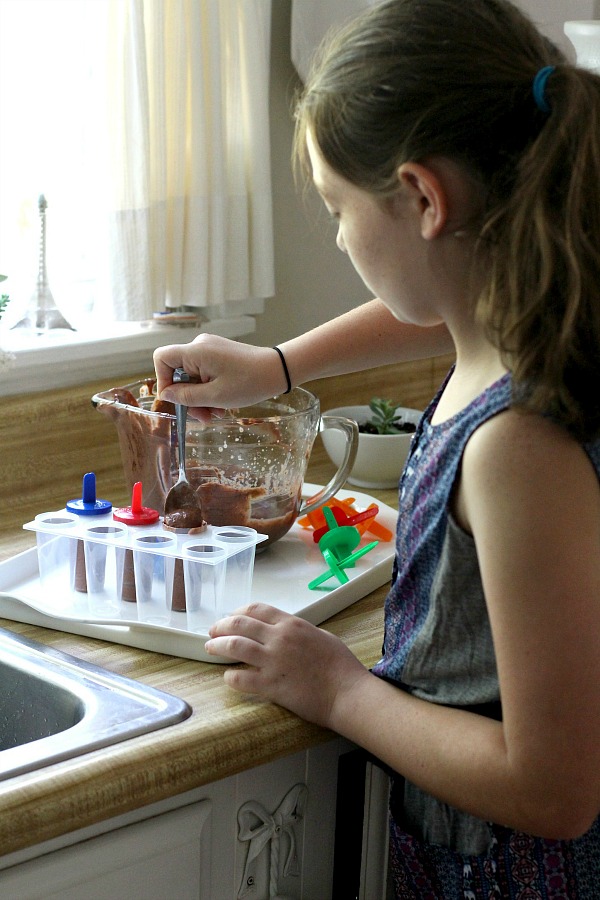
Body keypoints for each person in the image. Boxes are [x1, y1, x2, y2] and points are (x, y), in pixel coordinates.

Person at [153, 0, 600, 895]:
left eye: (335, 207)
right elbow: (426, 313)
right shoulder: (528, 322)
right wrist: (274, 366)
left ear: (424, 198)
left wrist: (342, 692)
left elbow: (555, 789)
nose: (338, 233)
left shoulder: (517, 448)